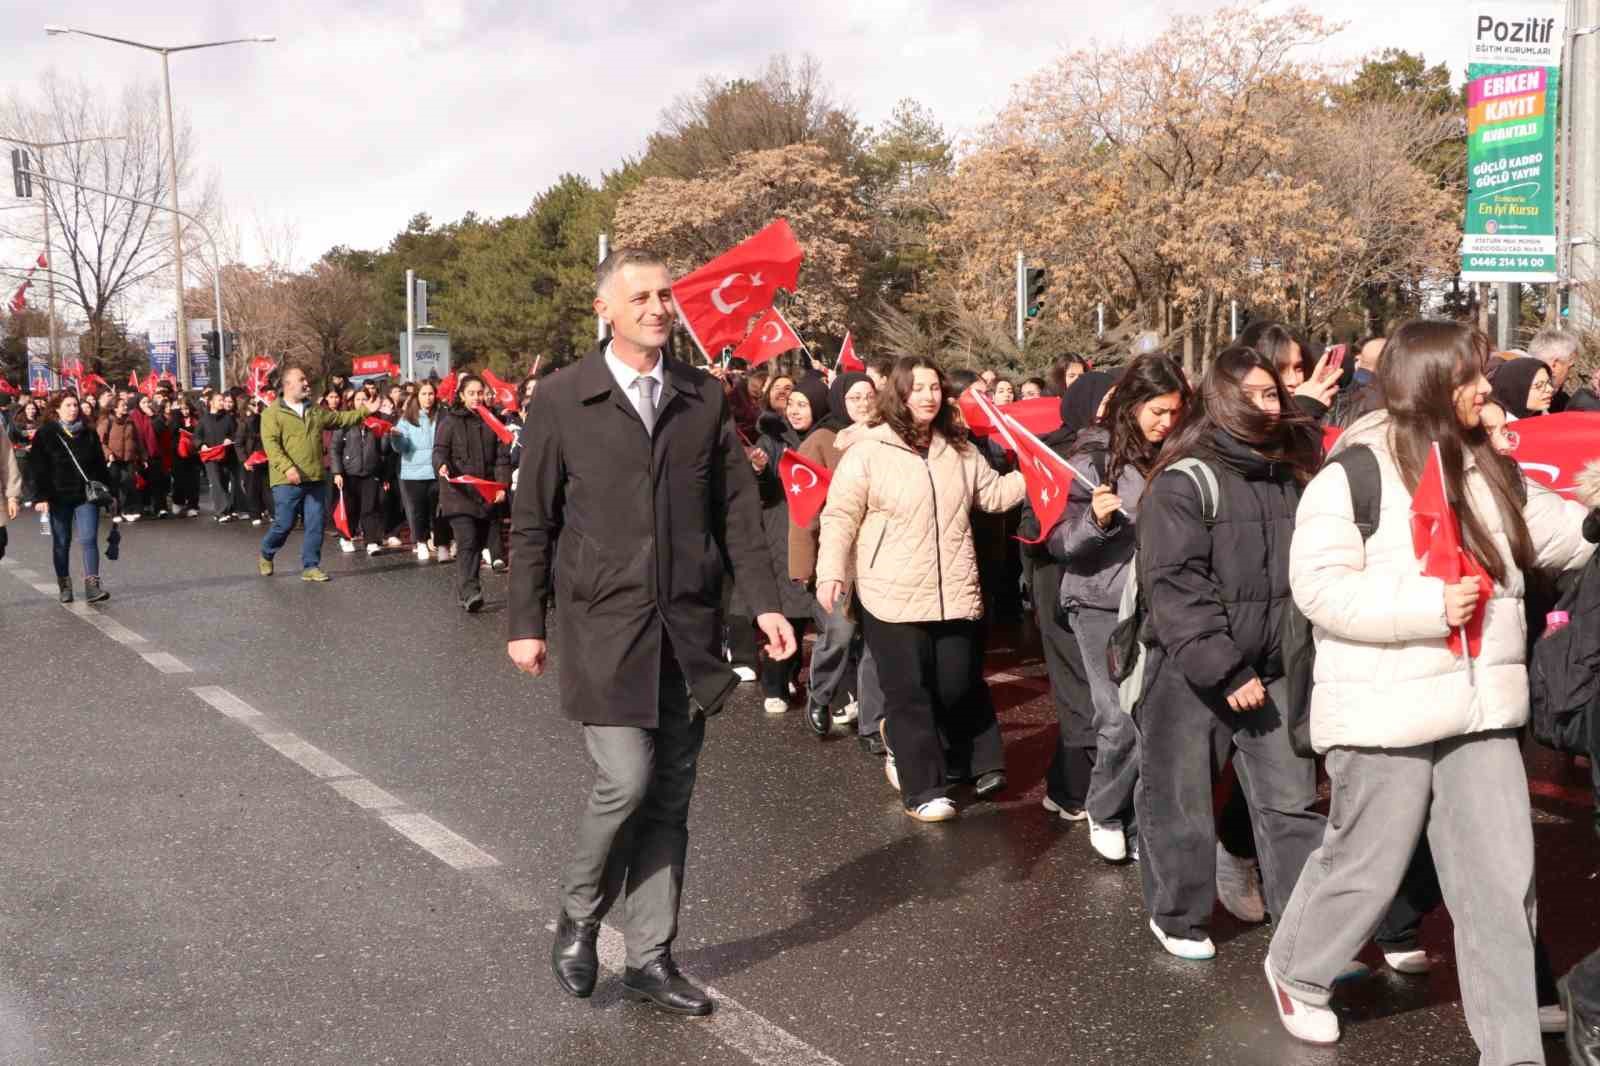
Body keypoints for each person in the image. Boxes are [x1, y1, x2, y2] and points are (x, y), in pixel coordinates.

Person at [1265, 321, 1594, 1057]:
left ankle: (1510, 1050)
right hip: (1386, 706)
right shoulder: (1353, 471)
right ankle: (1297, 970)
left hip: (1480, 708)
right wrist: (1420, 611)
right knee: (1367, 861)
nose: (1490, 388)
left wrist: (1596, 521)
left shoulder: (1489, 466)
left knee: (1503, 882)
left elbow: (1552, 530)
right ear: (1435, 384)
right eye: (1475, 376)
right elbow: (1317, 586)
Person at [508, 247, 795, 1017]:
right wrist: (525, 622)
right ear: (605, 308)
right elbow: (533, 519)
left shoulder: (703, 396)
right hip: (605, 623)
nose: (659, 307)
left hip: (689, 625)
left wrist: (765, 602)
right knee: (626, 779)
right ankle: (578, 912)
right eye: (641, 297)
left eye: (665, 295)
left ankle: (649, 958)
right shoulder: (565, 396)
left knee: (670, 794)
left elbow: (738, 510)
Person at [1133, 346, 1326, 960]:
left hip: (1278, 669)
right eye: (1254, 395)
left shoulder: (1292, 473)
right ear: (1220, 400)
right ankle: (1180, 916)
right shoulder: (1186, 480)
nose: (1269, 406)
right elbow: (1175, 587)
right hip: (1197, 673)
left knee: (1291, 806)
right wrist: (1223, 665)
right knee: (1181, 798)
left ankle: (1306, 934)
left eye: (1274, 394)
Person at [816, 357, 1027, 822]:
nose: (929, 396)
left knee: (953, 687)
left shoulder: (961, 449)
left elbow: (991, 496)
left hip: (953, 588)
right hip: (889, 593)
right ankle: (924, 789)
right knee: (909, 692)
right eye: (919, 388)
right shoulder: (868, 451)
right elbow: (839, 515)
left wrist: (1038, 476)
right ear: (899, 394)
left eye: (935, 387)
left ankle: (905, 740)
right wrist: (831, 570)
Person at [1048, 355, 1188, 861]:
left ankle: (1135, 817)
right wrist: (1097, 524)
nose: (1165, 423)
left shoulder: (1179, 456)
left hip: (1161, 602)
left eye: (1175, 412)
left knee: (1153, 719)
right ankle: (1104, 811)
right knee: (1117, 717)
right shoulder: (1093, 463)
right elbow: (1060, 543)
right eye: (1157, 411)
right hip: (1101, 602)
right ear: (1132, 406)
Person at [1023, 371, 1114, 822]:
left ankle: (1071, 786)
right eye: (1109, 400)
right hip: (1062, 584)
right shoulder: (1056, 455)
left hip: (1111, 587)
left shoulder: (1129, 452)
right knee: (1081, 691)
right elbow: (1034, 526)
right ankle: (1079, 791)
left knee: (1106, 693)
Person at [787, 372, 877, 735]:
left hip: (879, 557)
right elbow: (803, 510)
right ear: (840, 400)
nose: (863, 405)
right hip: (837, 558)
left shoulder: (886, 437)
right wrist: (802, 565)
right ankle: (821, 693)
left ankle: (874, 724)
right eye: (854, 398)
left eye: (869, 397)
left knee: (876, 643)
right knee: (840, 633)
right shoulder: (823, 442)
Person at [747, 375, 829, 714]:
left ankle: (829, 690)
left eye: (803, 404)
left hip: (823, 535)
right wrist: (760, 471)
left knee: (828, 618)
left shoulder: (830, 438)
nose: (795, 411)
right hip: (784, 533)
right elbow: (763, 492)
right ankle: (775, 683)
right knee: (789, 615)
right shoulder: (772, 439)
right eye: (792, 403)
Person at [257, 366, 370, 582]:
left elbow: (339, 420)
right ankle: (267, 553)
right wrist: (288, 467)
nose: (307, 383)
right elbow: (271, 445)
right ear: (288, 384)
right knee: (285, 523)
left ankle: (311, 566)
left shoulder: (314, 410)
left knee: (315, 523)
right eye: (302, 380)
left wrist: (365, 411)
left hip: (314, 477)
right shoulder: (272, 413)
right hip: (286, 479)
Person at [433, 375, 512, 611]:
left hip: (485, 494)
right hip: (458, 493)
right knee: (467, 541)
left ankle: (468, 587)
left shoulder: (493, 420)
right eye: (472, 393)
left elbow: (502, 458)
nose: (477, 397)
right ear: (461, 395)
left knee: (477, 542)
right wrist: (441, 465)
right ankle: (470, 591)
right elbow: (439, 450)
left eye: (481, 393)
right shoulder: (450, 421)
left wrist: (501, 486)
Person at [29, 391, 113, 603]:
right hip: (58, 496)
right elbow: (38, 468)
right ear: (56, 409)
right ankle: (64, 584)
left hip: (85, 495)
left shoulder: (88, 433)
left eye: (75, 405)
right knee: (62, 540)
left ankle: (92, 586)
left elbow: (100, 467)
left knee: (88, 539)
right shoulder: (46, 434)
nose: (73, 409)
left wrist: (108, 492)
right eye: (68, 405)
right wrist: (41, 497)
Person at [389, 381, 445, 563]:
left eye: (430, 394)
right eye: (423, 394)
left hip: (437, 471)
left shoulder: (442, 416)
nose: (428, 398)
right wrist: (396, 438)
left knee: (438, 510)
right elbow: (402, 448)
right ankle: (421, 541)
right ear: (417, 397)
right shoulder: (407, 419)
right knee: (418, 510)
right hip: (414, 473)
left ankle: (440, 541)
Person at [331, 406, 387, 557]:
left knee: (370, 508)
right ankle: (346, 537)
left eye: (365, 399)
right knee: (350, 508)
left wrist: (386, 435)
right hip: (349, 473)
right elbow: (335, 449)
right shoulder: (345, 423)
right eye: (358, 399)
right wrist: (337, 472)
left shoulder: (375, 423)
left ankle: (371, 541)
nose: (362, 403)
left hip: (370, 472)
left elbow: (383, 450)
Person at [96, 393, 145, 523]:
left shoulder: (130, 422)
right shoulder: (107, 422)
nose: (125, 407)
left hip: (128, 459)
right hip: (113, 459)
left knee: (128, 483)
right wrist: (108, 453)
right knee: (114, 486)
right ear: (115, 408)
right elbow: (100, 441)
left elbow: (137, 440)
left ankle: (127, 510)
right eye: (122, 405)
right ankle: (114, 512)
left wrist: (142, 457)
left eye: (125, 405)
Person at [197, 391, 240, 522]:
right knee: (216, 483)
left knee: (224, 482)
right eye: (219, 400)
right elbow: (197, 436)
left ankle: (225, 509)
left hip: (226, 456)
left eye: (223, 400)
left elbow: (236, 434)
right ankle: (221, 511)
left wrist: (229, 439)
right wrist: (202, 445)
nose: (222, 402)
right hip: (210, 456)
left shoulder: (228, 418)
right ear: (211, 402)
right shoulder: (204, 419)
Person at [1528, 326, 1579, 412]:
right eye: (1570, 367)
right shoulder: (1561, 404)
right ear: (1554, 364)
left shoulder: (1507, 393)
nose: (1569, 375)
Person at [1491, 356, 1557, 420]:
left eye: (1548, 382)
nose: (1550, 389)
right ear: (1515, 390)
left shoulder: (1545, 418)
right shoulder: (1498, 427)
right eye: (1539, 385)